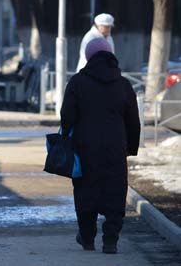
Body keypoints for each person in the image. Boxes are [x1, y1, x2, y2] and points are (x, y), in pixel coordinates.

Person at [60, 38, 140, 254]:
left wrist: (65, 135)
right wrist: (131, 147)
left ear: (88, 56)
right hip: (115, 146)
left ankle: (87, 238)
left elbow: (67, 115)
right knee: (115, 191)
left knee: (86, 191)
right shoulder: (123, 84)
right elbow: (133, 119)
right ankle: (110, 241)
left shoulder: (77, 82)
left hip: (84, 146)